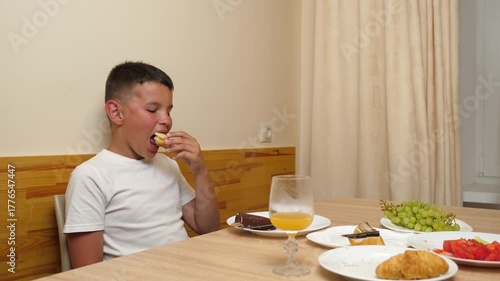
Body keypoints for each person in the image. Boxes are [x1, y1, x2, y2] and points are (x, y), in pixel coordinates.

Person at [63, 61, 220, 268]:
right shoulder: (91, 176)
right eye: (153, 109)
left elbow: (208, 228)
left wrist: (200, 170)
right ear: (116, 113)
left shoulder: (167, 165)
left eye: (169, 111)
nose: (166, 120)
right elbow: (86, 272)